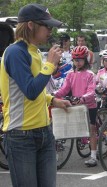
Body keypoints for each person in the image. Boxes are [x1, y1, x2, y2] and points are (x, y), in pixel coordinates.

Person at [0, 3, 71, 187]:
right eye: (46, 26)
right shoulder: (15, 52)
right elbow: (30, 91)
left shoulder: (36, 52)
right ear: (30, 25)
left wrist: (53, 100)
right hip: (21, 135)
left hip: (44, 132)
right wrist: (50, 65)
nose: (50, 30)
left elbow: (35, 91)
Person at [53, 46, 98, 167]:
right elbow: (64, 89)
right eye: (75, 60)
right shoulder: (70, 74)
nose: (77, 62)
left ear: (86, 60)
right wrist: (52, 95)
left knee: (92, 129)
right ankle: (54, 155)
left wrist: (82, 98)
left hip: (89, 105)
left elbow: (91, 91)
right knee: (62, 128)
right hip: (76, 104)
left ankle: (93, 156)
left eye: (80, 60)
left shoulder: (90, 74)